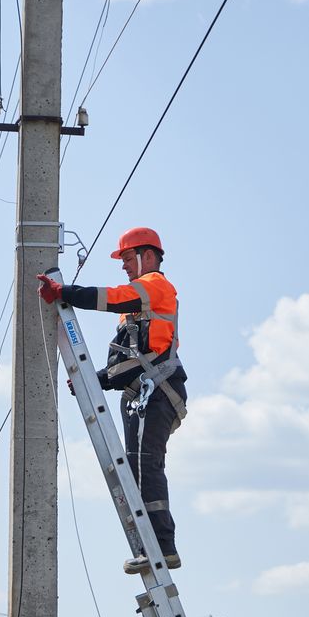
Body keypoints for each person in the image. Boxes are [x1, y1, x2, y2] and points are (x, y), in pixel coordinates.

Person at [36, 227, 187, 574]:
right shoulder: (142, 305)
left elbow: (114, 297)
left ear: (147, 256)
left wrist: (66, 293)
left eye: (126, 258)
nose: (123, 267)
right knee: (138, 467)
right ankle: (159, 546)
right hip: (147, 391)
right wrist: (98, 378)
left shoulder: (154, 286)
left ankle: (162, 547)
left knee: (143, 466)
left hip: (157, 390)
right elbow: (134, 360)